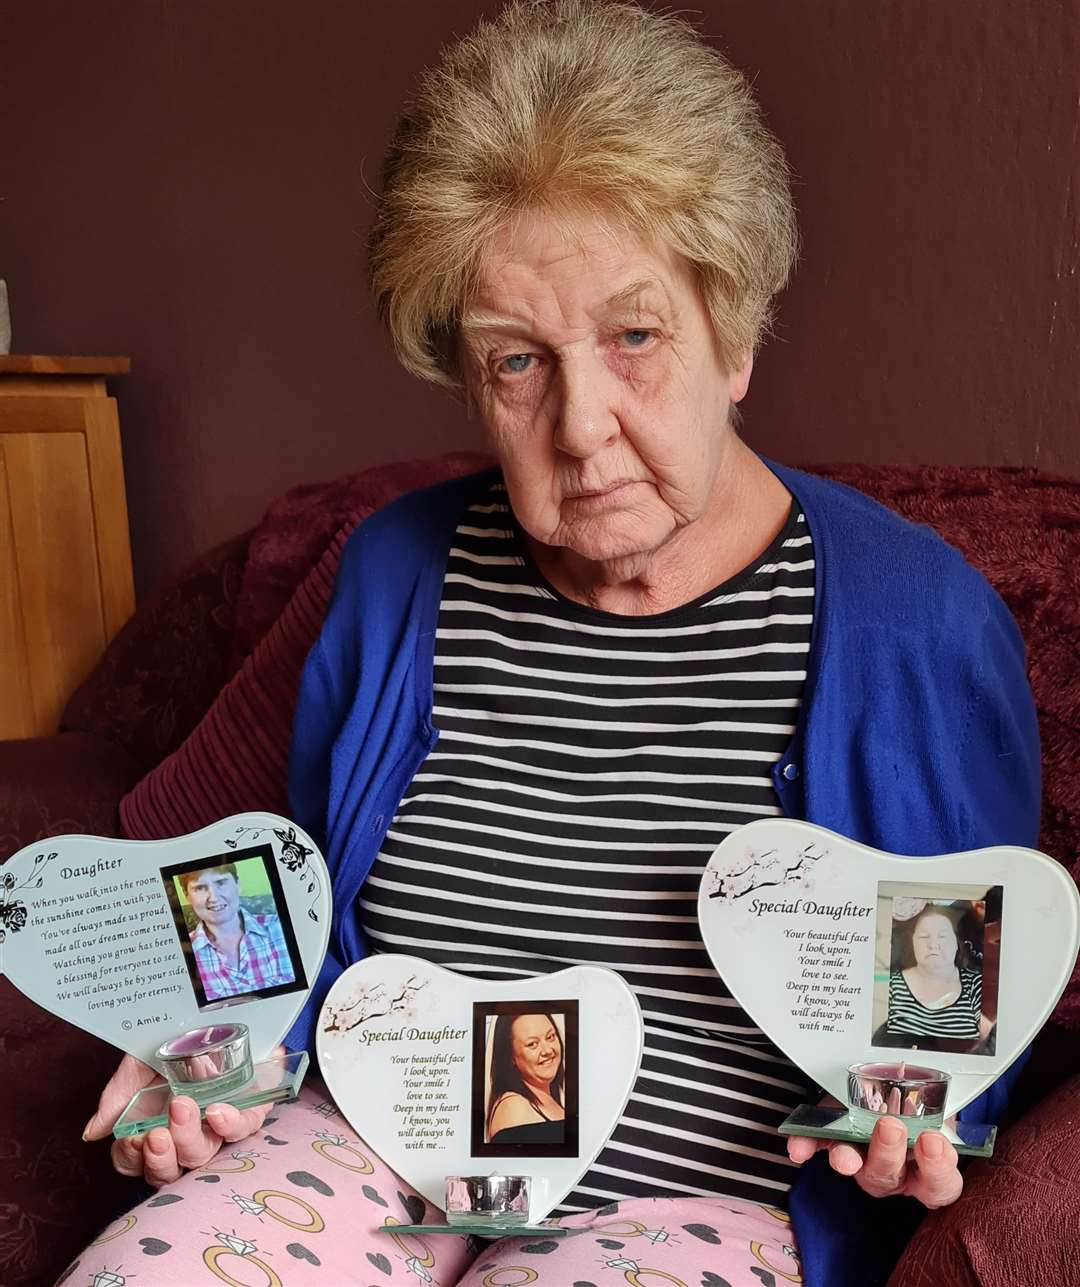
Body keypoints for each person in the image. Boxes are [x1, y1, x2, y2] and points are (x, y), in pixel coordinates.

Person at [76, 4, 1040, 1286]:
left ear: (735, 333)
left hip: (689, 1198)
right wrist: (199, 1036)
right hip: (369, 1148)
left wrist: (920, 1117)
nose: (582, 426)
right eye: (518, 361)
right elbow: (260, 867)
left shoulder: (914, 620)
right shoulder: (389, 570)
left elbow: (959, 984)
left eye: (635, 338)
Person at [179, 863, 294, 1003]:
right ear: (187, 896)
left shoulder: (280, 927)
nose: (213, 897)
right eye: (200, 888)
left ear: (237, 885)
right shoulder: (182, 955)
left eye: (221, 882)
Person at [887, 905, 990, 1044]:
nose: (933, 944)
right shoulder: (892, 985)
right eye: (924, 936)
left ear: (956, 943)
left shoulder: (977, 984)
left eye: (943, 936)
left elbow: (990, 1042)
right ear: (913, 943)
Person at [486, 1013, 566, 1144]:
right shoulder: (513, 1108)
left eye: (550, 1037)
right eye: (532, 1044)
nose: (547, 1050)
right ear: (510, 1056)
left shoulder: (549, 1099)